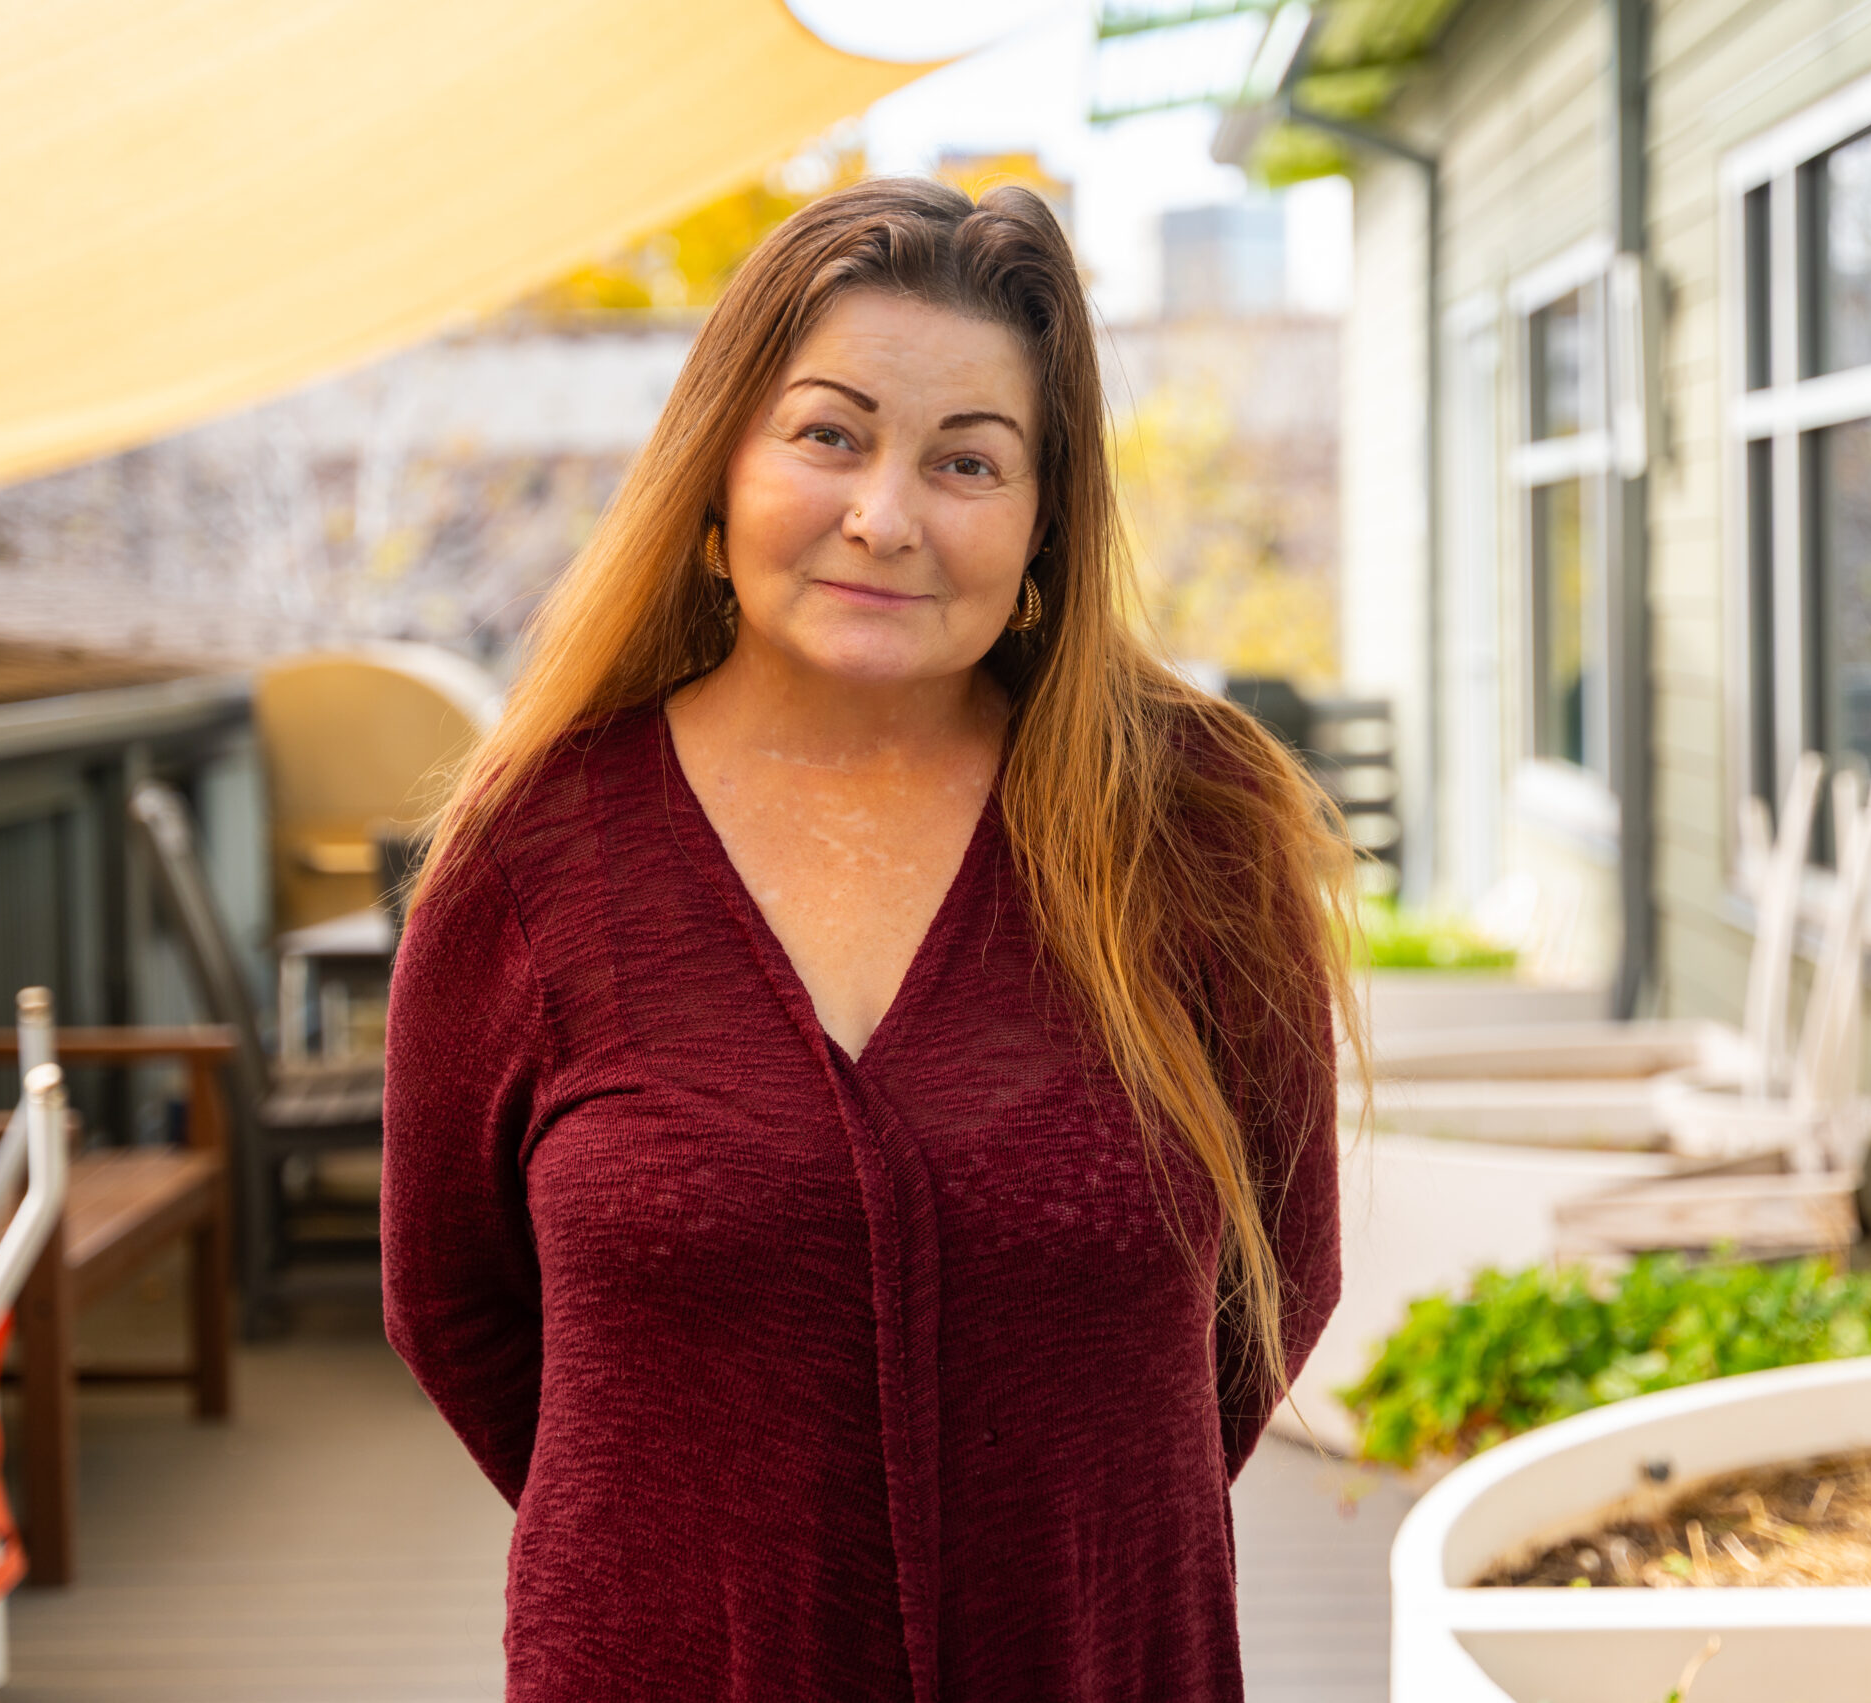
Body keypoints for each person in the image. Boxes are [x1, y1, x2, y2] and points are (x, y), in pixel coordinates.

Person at [383, 178, 1353, 1701]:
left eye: (969, 461)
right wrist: (704, 1553)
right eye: (829, 432)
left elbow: (1275, 1282)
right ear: (716, 473)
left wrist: (1053, 1542)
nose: (884, 515)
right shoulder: (532, 855)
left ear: (1045, 523)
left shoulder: (1192, 823)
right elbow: (456, 1301)